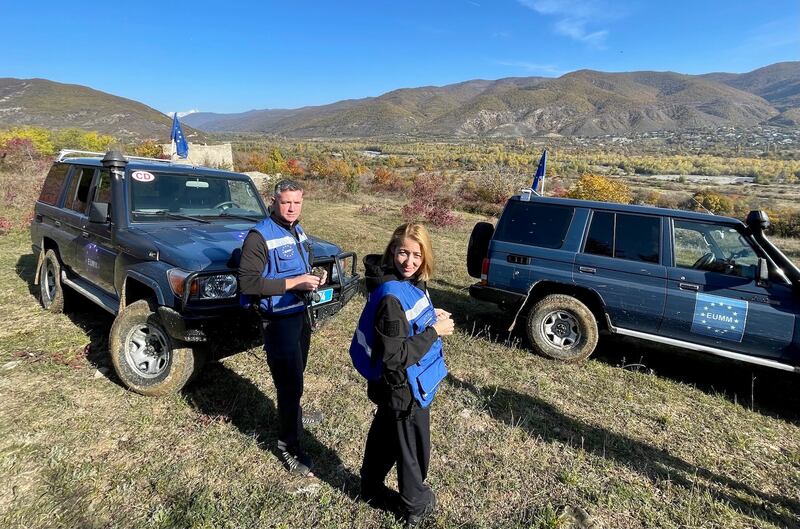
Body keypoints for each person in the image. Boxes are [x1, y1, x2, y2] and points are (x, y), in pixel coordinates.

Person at [351, 223, 455, 527]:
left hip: (394, 385)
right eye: (403, 253)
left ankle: (370, 487)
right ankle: (415, 506)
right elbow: (395, 357)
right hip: (402, 386)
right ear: (392, 251)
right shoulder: (390, 298)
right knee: (412, 446)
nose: (409, 262)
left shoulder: (409, 282)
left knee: (385, 435)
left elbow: (404, 327)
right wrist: (435, 332)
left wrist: (430, 318)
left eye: (416, 255)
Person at [238, 179, 326, 477]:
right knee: (288, 383)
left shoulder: (297, 228)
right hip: (277, 321)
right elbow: (248, 283)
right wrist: (294, 283)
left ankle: (294, 418)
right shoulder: (258, 236)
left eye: (297, 202)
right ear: (273, 201)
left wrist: (314, 275)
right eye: (286, 202)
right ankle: (289, 445)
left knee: (297, 375)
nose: (292, 208)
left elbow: (301, 263)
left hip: (299, 314)